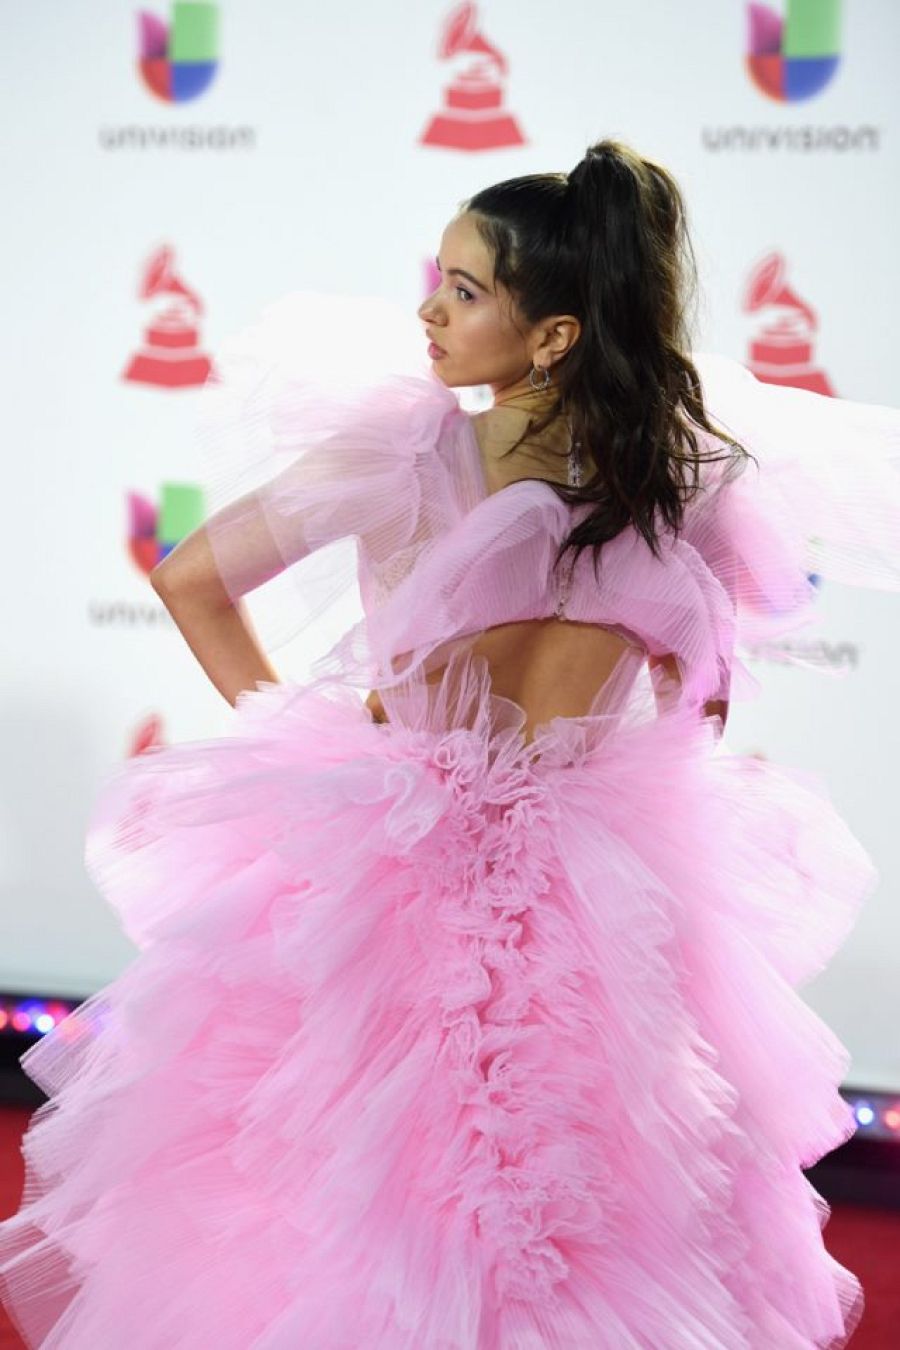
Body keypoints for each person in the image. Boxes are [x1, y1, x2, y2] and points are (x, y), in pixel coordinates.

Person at [3, 138, 900, 1348]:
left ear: (554, 336)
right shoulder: (682, 473)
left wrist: (289, 732)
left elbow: (194, 579)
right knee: (608, 1192)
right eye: (442, 277)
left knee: (349, 1189)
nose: (429, 309)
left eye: (467, 290)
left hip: (395, 859)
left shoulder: (407, 453)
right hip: (604, 876)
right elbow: (708, 681)